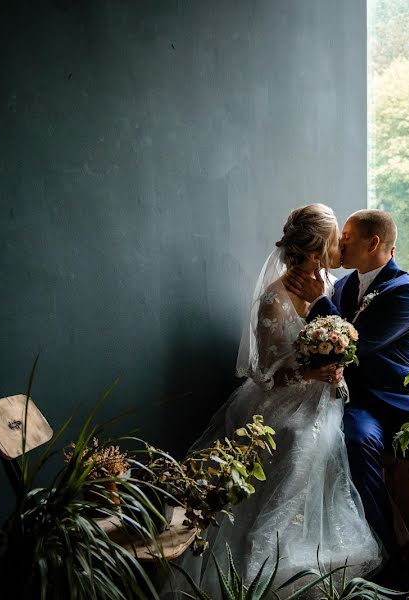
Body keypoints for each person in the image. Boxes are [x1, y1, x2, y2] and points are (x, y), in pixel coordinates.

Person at [163, 204, 384, 598]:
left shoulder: (329, 287)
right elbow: (264, 374)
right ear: (317, 249)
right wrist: (309, 373)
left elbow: (349, 342)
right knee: (297, 440)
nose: (340, 246)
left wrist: (337, 368)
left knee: (322, 441)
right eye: (335, 240)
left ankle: (308, 563)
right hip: (279, 400)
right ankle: (258, 568)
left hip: (324, 399)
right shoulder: (273, 299)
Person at [284, 209, 409, 585]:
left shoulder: (404, 290)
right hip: (362, 404)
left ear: (373, 243)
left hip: (406, 403)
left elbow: (357, 343)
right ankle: (388, 554)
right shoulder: (342, 288)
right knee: (356, 443)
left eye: (346, 236)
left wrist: (316, 302)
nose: (338, 243)